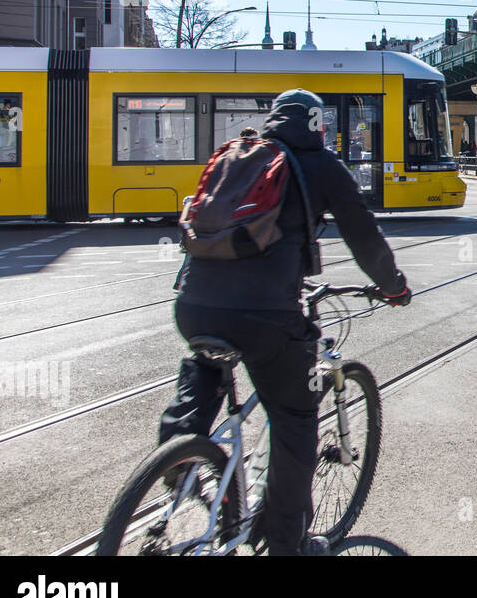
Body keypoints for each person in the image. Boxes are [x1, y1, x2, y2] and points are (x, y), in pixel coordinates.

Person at [159, 89, 412, 556]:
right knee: (295, 417)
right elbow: (363, 234)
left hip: (194, 304)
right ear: (318, 124)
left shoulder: (243, 154)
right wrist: (393, 286)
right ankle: (286, 543)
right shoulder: (319, 164)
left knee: (208, 364)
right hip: (266, 314)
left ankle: (179, 451)